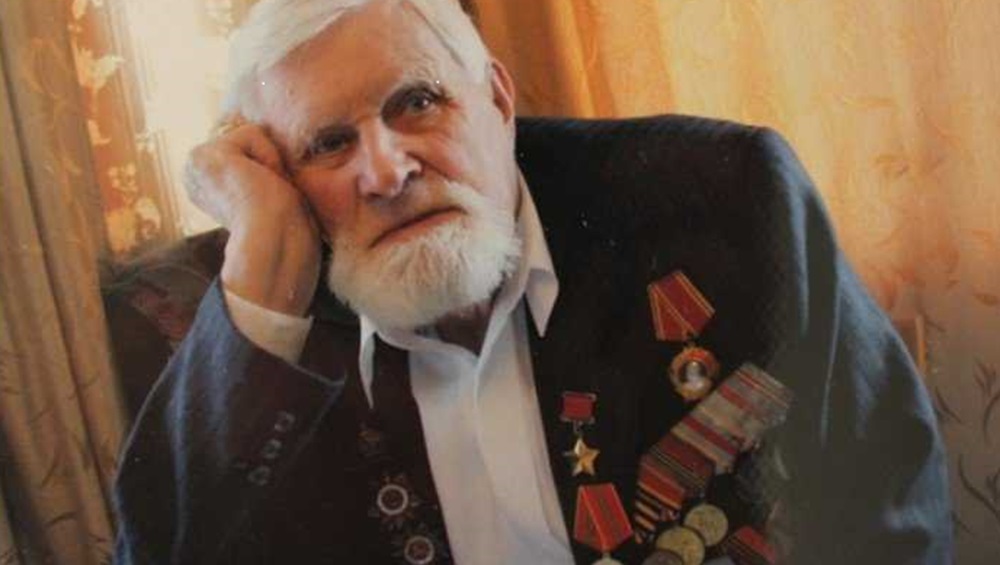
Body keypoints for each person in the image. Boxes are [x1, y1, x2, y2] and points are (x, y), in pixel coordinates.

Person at [111, 0, 952, 563]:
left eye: (416, 102)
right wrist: (259, 300)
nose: (387, 170)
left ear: (498, 97)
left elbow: (886, 506)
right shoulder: (261, 331)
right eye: (329, 144)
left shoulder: (723, 196)